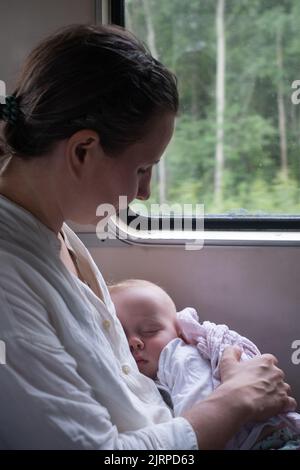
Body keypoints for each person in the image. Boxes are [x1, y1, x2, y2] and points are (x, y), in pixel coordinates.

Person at [0, 23, 296, 450]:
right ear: (83, 150)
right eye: (142, 168)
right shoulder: (10, 282)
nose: (145, 192)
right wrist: (234, 403)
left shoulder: (51, 227)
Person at [109, 279, 300, 450]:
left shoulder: (179, 356)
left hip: (271, 440)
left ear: (179, 331)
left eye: (150, 330)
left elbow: (199, 405)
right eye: (120, 336)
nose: (134, 341)